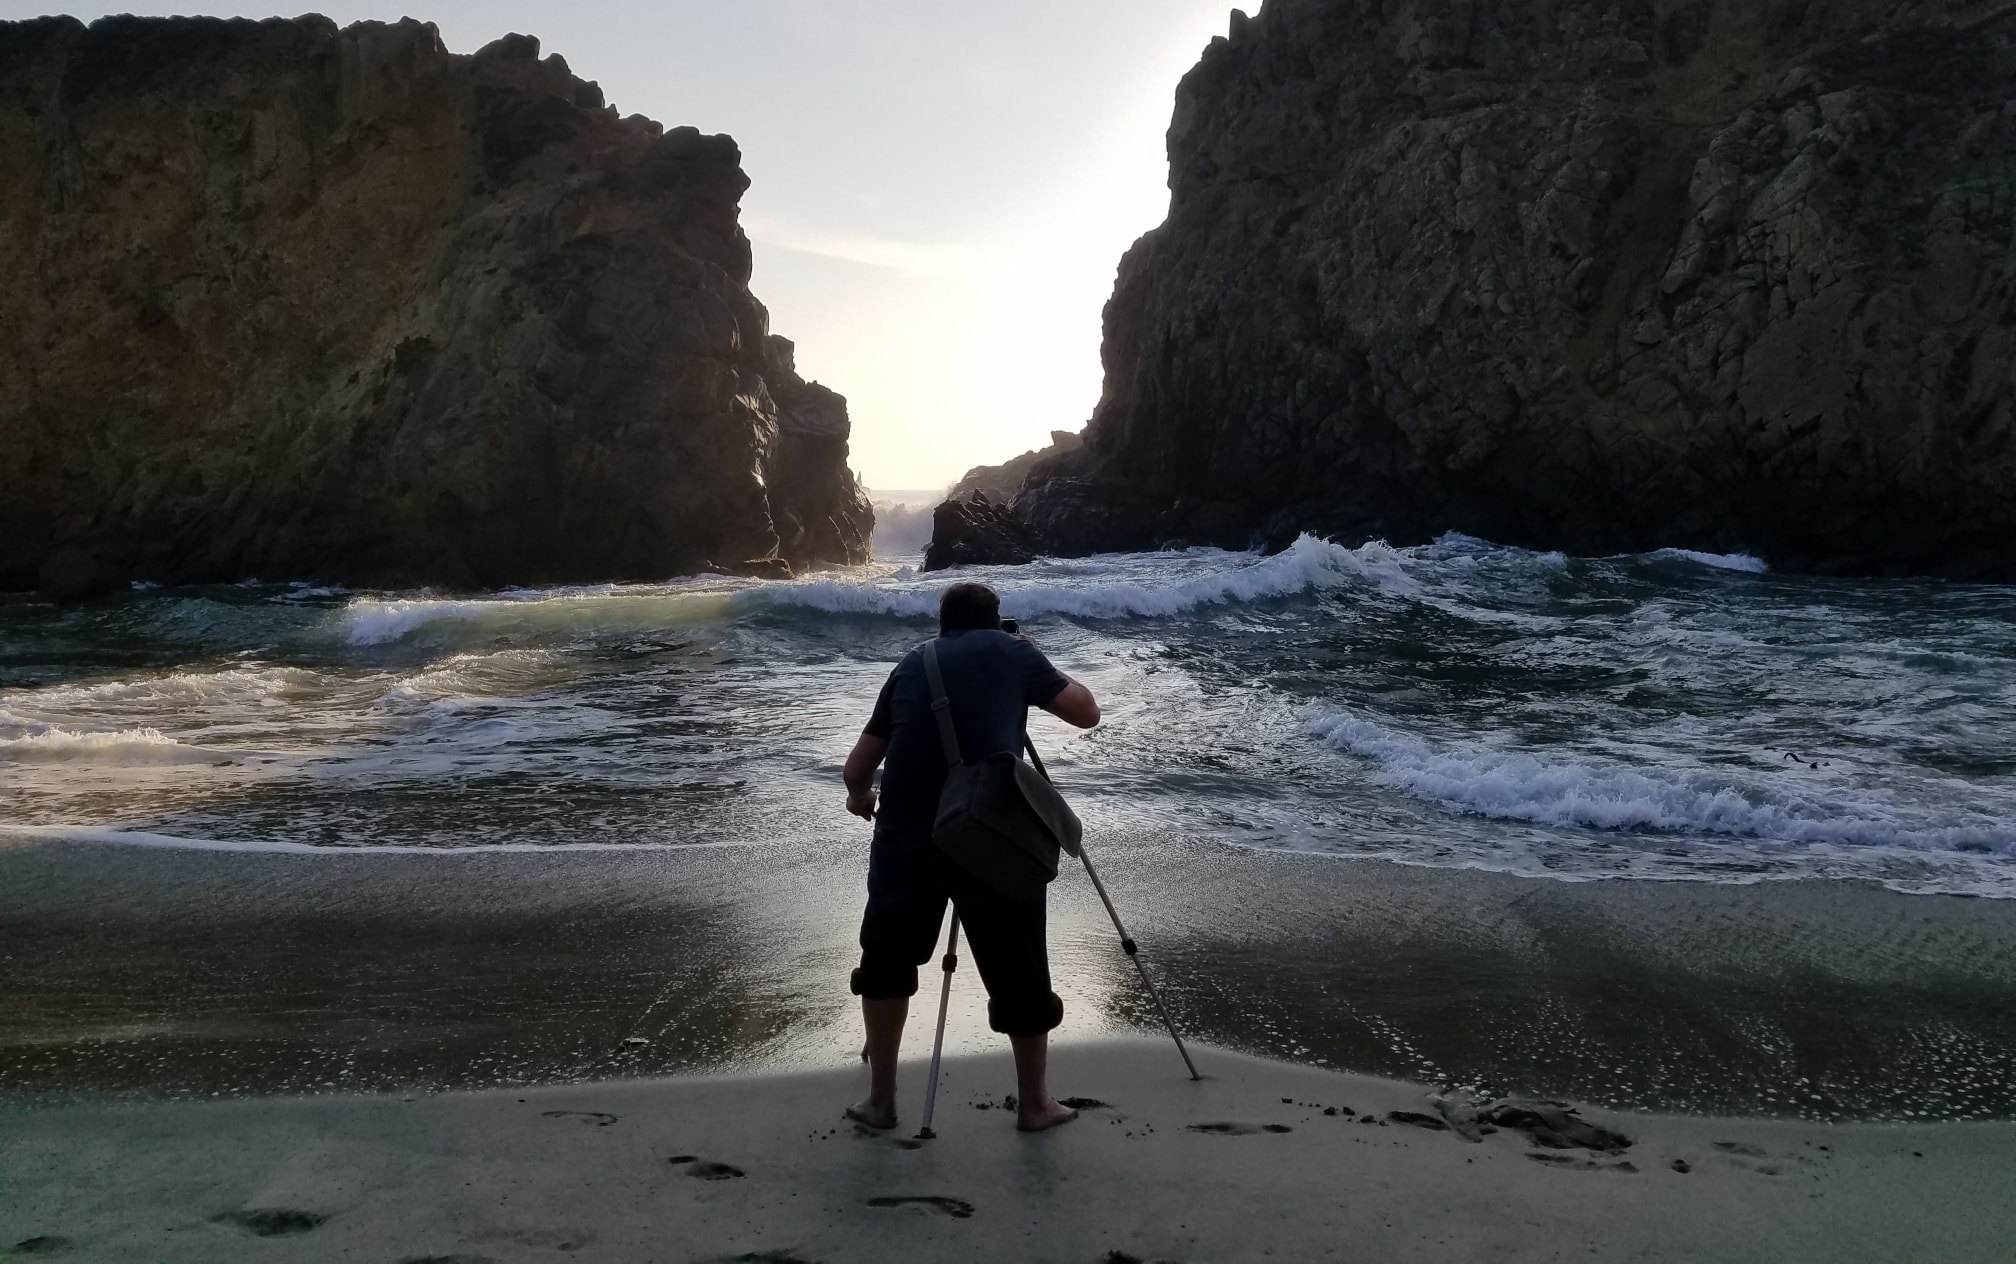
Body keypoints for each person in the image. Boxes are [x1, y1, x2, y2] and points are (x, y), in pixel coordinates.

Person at [840, 581, 1100, 1133]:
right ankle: (1035, 1105)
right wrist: (1030, 658)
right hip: (989, 835)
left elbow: (858, 767)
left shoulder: (914, 664)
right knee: (1019, 965)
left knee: (886, 963)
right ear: (995, 620)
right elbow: (1086, 712)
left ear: (942, 625)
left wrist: (860, 798)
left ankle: (881, 1102)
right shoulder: (1013, 651)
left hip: (905, 838)